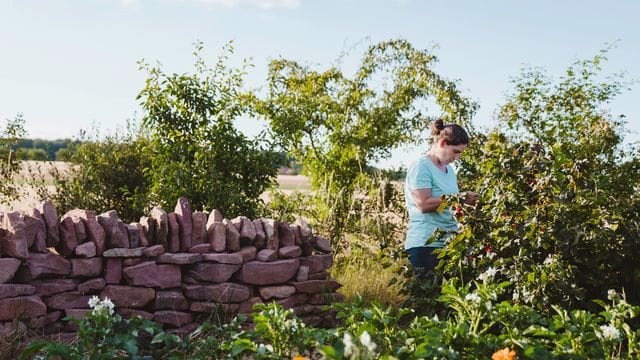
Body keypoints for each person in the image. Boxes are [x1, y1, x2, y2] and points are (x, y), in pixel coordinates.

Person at [404, 119, 478, 278]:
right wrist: (460, 198)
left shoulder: (449, 171)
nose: (457, 158)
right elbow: (423, 204)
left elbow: (451, 204)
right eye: (456, 151)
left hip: (448, 244)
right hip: (425, 246)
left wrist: (469, 204)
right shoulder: (421, 166)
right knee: (427, 300)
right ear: (443, 143)